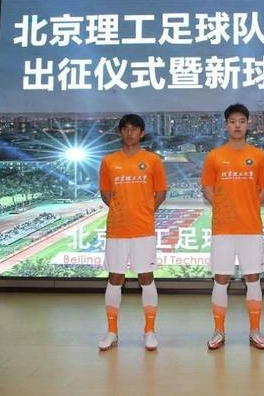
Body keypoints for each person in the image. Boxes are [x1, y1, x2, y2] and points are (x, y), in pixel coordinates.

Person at [200, 103, 264, 350]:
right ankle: (218, 331)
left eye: (242, 121)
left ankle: (255, 330)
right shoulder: (214, 156)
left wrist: (248, 206)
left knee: (253, 278)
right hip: (223, 228)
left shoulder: (258, 155)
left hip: (250, 228)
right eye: (232, 122)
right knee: (221, 279)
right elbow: (207, 188)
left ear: (248, 124)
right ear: (226, 125)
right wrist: (223, 208)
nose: (237, 126)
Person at [97, 114, 167, 351]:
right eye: (125, 129)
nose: (129, 133)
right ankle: (111, 332)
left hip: (143, 229)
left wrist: (144, 211)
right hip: (117, 229)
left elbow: (161, 193)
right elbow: (105, 193)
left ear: (141, 133)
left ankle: (149, 331)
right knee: (115, 278)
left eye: (134, 129)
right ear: (120, 132)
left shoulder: (153, 160)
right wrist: (121, 211)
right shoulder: (109, 161)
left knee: (146, 277)